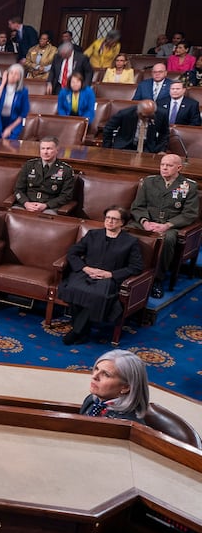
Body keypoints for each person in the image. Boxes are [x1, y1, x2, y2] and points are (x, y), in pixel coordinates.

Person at [60, 207, 144, 346]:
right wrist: (85, 268)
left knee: (96, 295)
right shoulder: (93, 234)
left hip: (108, 278)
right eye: (108, 218)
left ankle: (77, 331)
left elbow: (136, 267)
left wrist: (110, 274)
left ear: (122, 222)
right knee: (74, 288)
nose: (110, 221)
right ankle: (82, 331)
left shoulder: (130, 242)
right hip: (86, 273)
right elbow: (72, 253)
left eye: (114, 219)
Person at [130, 153, 198, 298]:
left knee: (167, 240)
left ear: (179, 168)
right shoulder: (149, 182)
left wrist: (167, 225)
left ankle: (157, 278)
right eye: (162, 165)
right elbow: (137, 207)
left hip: (170, 226)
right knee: (127, 232)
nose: (164, 168)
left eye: (169, 165)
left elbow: (189, 214)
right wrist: (145, 222)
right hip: (146, 222)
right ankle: (128, 272)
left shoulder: (188, 186)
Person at [12, 136, 78, 215]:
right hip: (26, 205)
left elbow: (66, 196)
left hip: (49, 207)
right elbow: (18, 190)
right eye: (42, 149)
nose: (45, 152)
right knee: (13, 214)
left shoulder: (66, 170)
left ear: (57, 150)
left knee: (47, 218)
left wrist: (46, 205)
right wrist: (26, 203)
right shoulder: (29, 165)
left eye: (49, 149)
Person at [80, 350, 149, 423]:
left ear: (126, 387)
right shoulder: (92, 399)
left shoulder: (125, 424)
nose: (94, 376)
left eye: (106, 374)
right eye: (96, 369)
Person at [103, 100, 169, 154]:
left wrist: (161, 149)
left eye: (150, 116)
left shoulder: (162, 114)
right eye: (144, 116)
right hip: (125, 145)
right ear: (138, 111)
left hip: (148, 147)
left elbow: (165, 133)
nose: (147, 118)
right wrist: (107, 148)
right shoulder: (125, 113)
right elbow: (108, 129)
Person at [0, 64, 29, 140]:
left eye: (16, 74)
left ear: (20, 77)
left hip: (14, 122)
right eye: (11, 73)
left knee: (10, 144)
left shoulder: (23, 91)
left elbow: (23, 113)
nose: (13, 75)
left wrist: (10, 128)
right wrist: (3, 83)